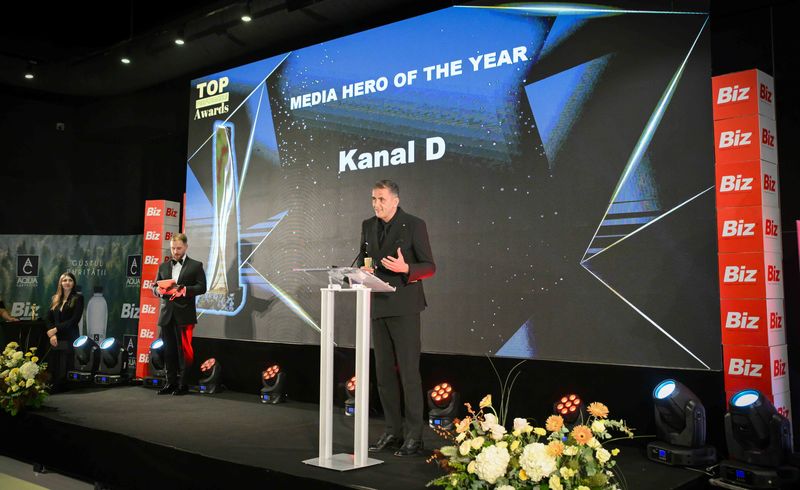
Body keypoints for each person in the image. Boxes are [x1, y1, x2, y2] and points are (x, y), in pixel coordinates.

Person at [358, 180, 436, 457]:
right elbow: (365, 258)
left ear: (395, 200)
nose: (376, 204)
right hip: (377, 305)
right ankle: (392, 431)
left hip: (404, 308)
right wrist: (362, 270)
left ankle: (414, 436)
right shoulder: (368, 225)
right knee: (383, 375)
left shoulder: (414, 224)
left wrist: (406, 268)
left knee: (409, 374)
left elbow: (429, 266)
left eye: (381, 199)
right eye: (373, 199)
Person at [152, 233, 207, 395]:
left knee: (184, 352)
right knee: (168, 351)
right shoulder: (163, 266)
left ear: (186, 247)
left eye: (179, 248)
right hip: (166, 314)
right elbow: (154, 287)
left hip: (185, 315)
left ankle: (183, 384)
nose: (175, 251)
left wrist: (184, 290)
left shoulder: (196, 266)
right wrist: (158, 291)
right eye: (173, 248)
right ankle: (170, 383)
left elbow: (202, 287)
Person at [46, 272, 84, 390]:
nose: (67, 282)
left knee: (65, 362)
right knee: (54, 362)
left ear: (73, 283)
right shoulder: (55, 298)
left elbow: (74, 320)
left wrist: (56, 329)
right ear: (60, 283)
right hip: (56, 337)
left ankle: (62, 386)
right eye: (64, 280)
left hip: (70, 335)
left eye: (70, 280)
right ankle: (54, 384)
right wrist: (52, 335)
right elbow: (48, 318)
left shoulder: (78, 298)